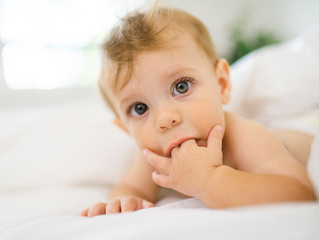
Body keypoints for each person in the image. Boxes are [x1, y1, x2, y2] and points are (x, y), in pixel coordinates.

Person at [80, 4, 316, 217]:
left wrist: (210, 180)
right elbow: (131, 188)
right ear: (126, 130)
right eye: (139, 108)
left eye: (181, 86)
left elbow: (300, 194)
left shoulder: (244, 136)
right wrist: (122, 200)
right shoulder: (154, 155)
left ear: (222, 84)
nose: (165, 119)